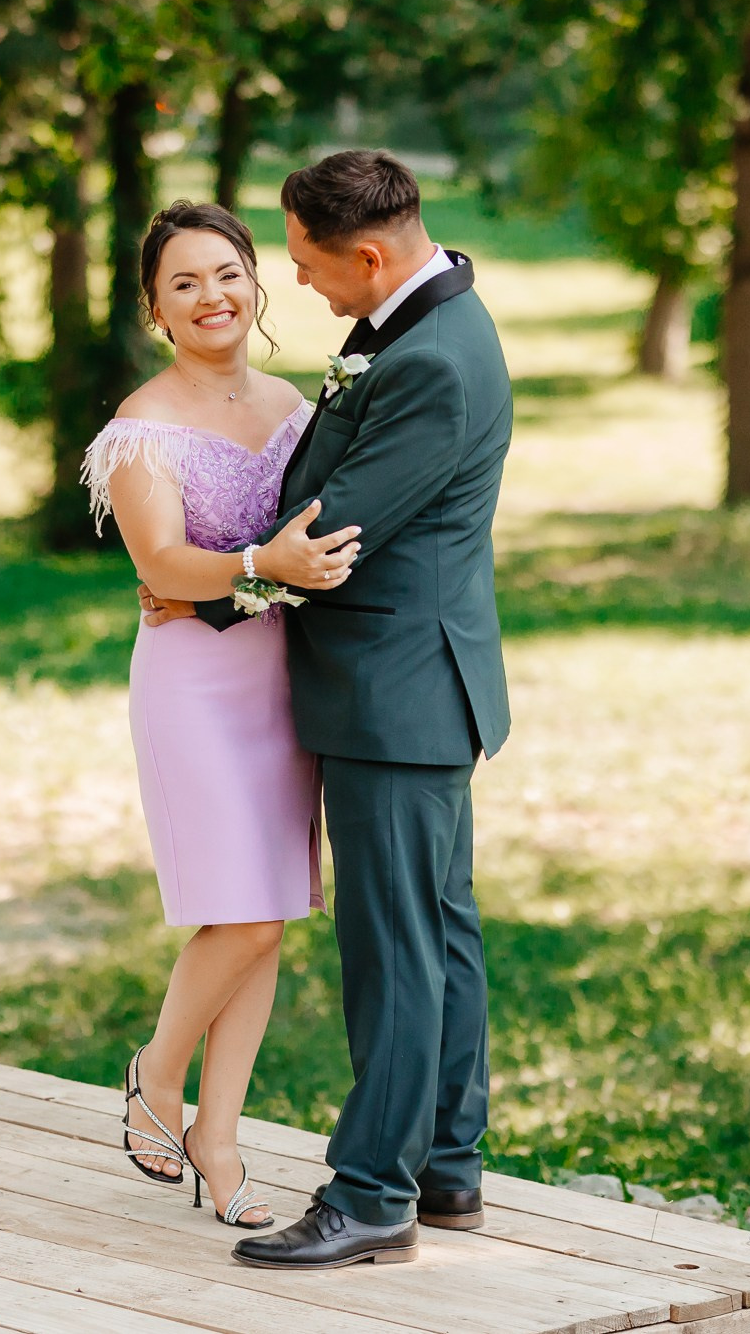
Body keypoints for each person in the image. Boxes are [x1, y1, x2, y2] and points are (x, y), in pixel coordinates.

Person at [150, 150, 513, 1271]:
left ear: (366, 254)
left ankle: (369, 1197)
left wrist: (199, 596)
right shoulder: (413, 324)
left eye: (306, 263)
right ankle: (443, 1165)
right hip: (409, 682)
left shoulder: (430, 360)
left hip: (393, 688)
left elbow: (335, 528)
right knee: (436, 930)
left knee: (395, 948)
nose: (297, 282)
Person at [81, 201, 361, 1232]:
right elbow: (162, 564)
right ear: (155, 309)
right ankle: (158, 1076)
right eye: (184, 283)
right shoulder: (141, 426)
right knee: (242, 912)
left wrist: (280, 569)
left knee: (266, 915)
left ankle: (220, 1134)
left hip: (283, 680)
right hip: (193, 685)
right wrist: (257, 562)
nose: (212, 297)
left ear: (256, 282)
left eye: (228, 273)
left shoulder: (293, 405)